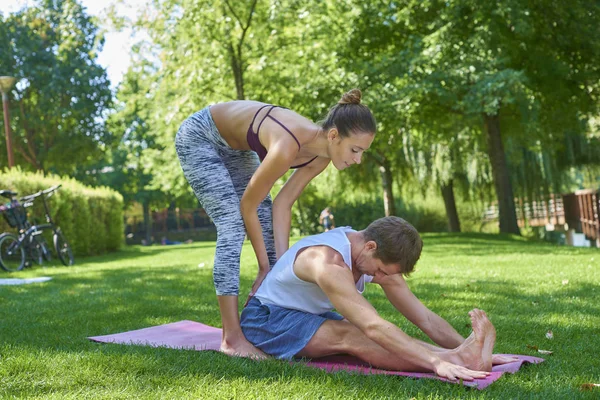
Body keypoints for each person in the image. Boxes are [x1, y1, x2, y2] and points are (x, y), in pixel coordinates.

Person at [175, 89, 377, 358]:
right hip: (200, 136)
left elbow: (283, 205)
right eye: (355, 149)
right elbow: (248, 205)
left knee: (269, 236)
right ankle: (231, 339)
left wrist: (281, 265)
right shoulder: (287, 144)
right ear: (333, 136)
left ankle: (267, 324)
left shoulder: (321, 157)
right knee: (232, 226)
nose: (357, 159)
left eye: (362, 152)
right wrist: (263, 267)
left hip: (236, 147)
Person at [240, 216, 518, 380]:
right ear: (370, 246)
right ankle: (457, 359)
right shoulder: (328, 262)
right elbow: (371, 325)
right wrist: (436, 364)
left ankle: (465, 356)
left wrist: (478, 352)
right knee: (353, 333)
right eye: (382, 271)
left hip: (307, 315)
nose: (382, 277)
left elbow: (425, 319)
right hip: (266, 319)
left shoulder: (368, 256)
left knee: (366, 332)